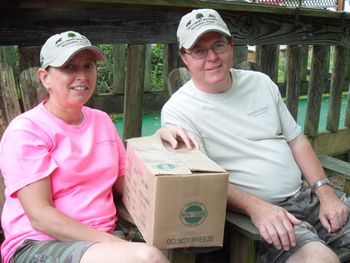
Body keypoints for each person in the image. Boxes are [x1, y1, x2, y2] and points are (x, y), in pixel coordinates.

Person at [159, 8, 350, 263]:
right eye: (199, 51)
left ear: (231, 45)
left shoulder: (260, 83)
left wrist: (325, 193)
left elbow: (296, 140)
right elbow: (202, 182)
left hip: (308, 196)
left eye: (218, 45)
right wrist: (255, 207)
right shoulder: (178, 112)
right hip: (261, 215)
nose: (212, 57)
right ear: (185, 57)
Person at [0, 31, 169, 263]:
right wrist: (118, 245)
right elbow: (41, 217)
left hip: (102, 239)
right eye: (69, 67)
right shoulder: (27, 131)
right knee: (146, 258)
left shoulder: (101, 121)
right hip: (40, 244)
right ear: (44, 77)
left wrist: (161, 145)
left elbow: (128, 184)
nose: (82, 76)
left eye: (88, 66)